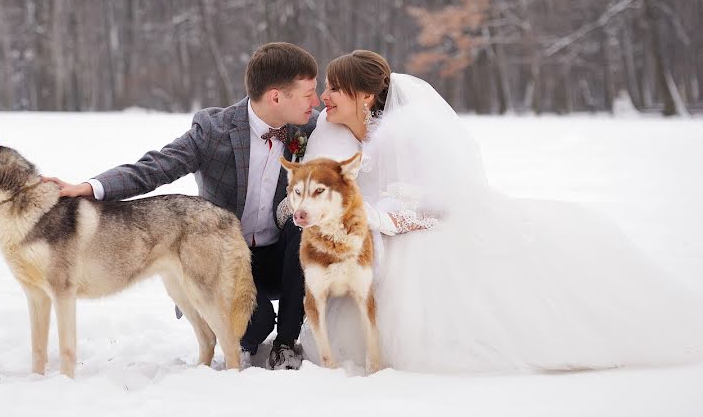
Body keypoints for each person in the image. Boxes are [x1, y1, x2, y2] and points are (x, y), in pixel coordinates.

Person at [293, 49, 703, 373]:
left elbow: (439, 208)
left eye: (334, 89)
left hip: (428, 238)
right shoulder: (340, 136)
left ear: (364, 96)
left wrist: (377, 220)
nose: (324, 97)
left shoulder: (412, 135)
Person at [44, 42, 320, 370]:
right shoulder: (214, 131)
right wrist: (91, 188)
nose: (315, 102)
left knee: (306, 226)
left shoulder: (310, 128)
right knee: (253, 326)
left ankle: (287, 344)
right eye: (309, 94)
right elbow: (156, 166)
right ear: (276, 97)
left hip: (282, 259)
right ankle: (251, 337)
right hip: (223, 262)